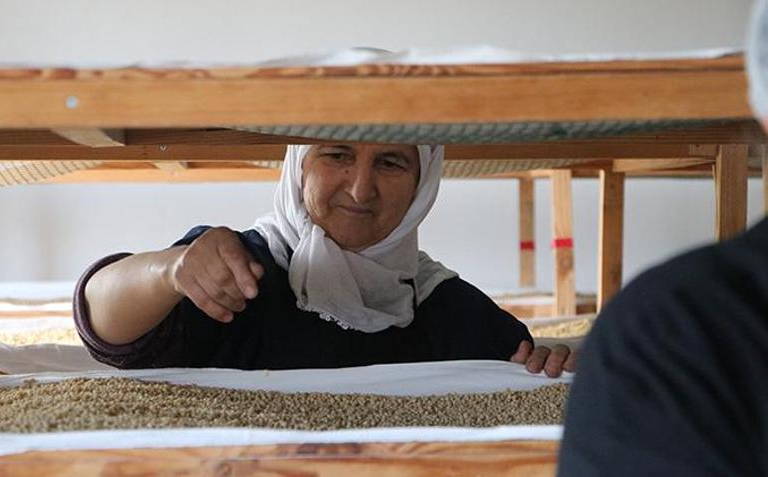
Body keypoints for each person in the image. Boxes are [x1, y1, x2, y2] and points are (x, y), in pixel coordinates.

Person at [74, 143, 576, 375]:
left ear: (422, 185)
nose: (360, 188)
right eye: (336, 154)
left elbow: (529, 365)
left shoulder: (452, 310)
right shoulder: (234, 267)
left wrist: (550, 364)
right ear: (298, 166)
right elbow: (104, 327)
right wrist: (170, 269)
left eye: (391, 162)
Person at [558, 2, 768, 475]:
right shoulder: (674, 333)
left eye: (391, 162)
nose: (361, 190)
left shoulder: (675, 332)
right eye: (346, 155)